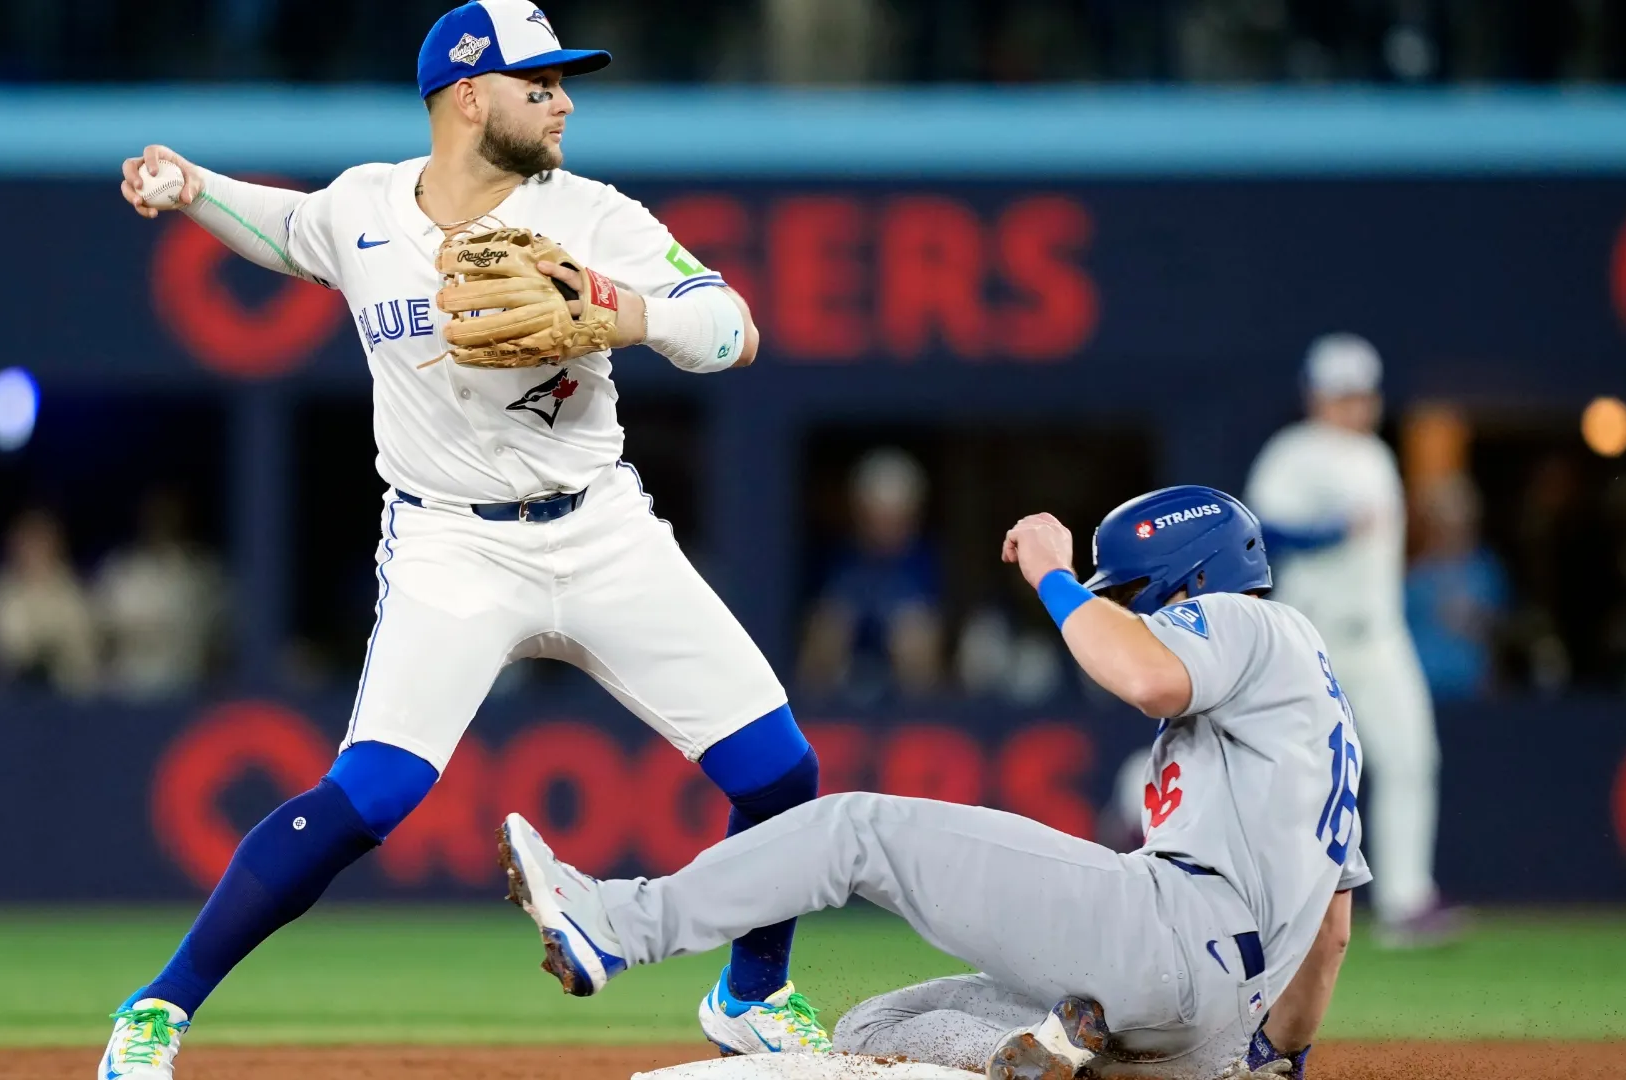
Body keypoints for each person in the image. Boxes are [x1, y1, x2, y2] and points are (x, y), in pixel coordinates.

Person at [102, 3, 827, 1075]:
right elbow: (289, 231)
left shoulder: (592, 215)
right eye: (543, 85)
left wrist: (624, 310)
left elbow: (735, 329)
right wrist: (196, 187)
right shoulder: (364, 210)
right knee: (370, 798)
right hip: (454, 548)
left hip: (600, 530)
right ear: (469, 96)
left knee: (782, 775)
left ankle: (753, 995)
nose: (567, 100)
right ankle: (158, 1009)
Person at [499, 485, 1366, 1080]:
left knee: (853, 830)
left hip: (1168, 931)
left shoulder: (1253, 622)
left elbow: (1145, 674)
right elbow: (1330, 931)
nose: (1127, 607)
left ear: (1198, 575)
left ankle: (613, 926)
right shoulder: (1320, 732)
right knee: (870, 1031)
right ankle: (1043, 1051)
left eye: (1137, 590)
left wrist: (1054, 577)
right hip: (1205, 1020)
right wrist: (1265, 1059)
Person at [1244, 333, 1455, 947]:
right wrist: (1332, 530)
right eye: (1340, 394)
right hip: (1316, 634)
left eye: (1361, 394)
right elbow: (1261, 532)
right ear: (1315, 395)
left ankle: (1406, 901)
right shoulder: (1295, 451)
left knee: (1412, 759)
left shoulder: (1376, 457)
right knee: (1282, 767)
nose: (1352, 405)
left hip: (1381, 634)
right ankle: (1268, 904)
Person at [798, 447, 944, 702]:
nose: (885, 529)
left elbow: (934, 662)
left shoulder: (925, 564)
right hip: (840, 692)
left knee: (913, 630)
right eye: (876, 517)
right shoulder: (838, 561)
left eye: (895, 519)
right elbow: (812, 660)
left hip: (906, 700)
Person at [91, 490, 226, 700]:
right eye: (154, 513)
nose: (160, 521)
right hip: (126, 701)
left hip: (188, 700)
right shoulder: (119, 572)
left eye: (167, 513)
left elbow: (219, 646)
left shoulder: (202, 575)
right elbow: (99, 644)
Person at [0, 507, 101, 697]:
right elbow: (8, 647)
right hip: (14, 694)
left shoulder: (74, 590)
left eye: (41, 541)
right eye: (27, 542)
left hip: (70, 695)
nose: (34, 550)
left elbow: (82, 644)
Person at [1404, 474, 1507, 700]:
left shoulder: (1486, 572)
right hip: (1424, 690)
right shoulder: (1414, 576)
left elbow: (1501, 628)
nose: (1452, 532)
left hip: (1473, 688)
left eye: (1460, 523)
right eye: (1444, 524)